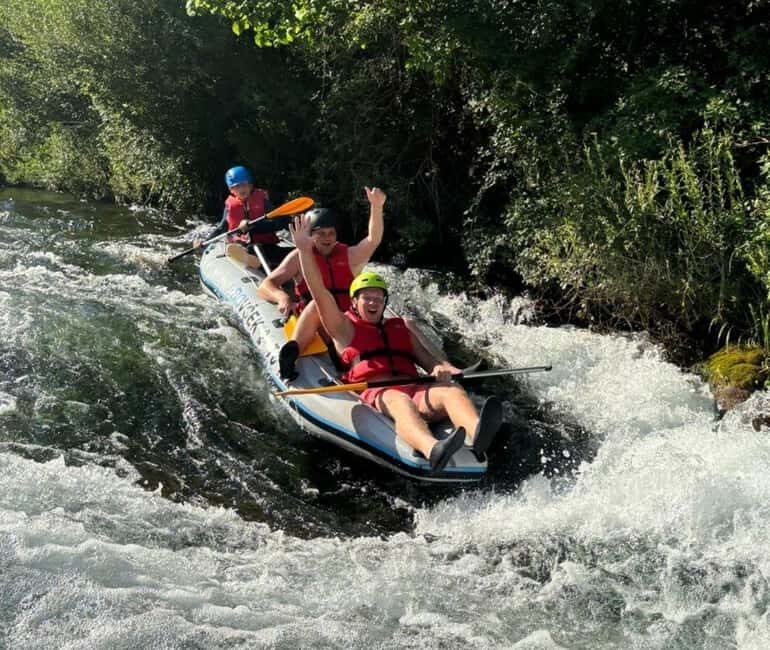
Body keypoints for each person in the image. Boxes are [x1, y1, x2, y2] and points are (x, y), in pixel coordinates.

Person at [289, 213, 504, 474]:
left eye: (378, 298)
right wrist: (304, 251)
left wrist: (439, 369)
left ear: (384, 303)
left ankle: (478, 432)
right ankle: (433, 450)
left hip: (416, 389)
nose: (373, 302)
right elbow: (318, 291)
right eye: (366, 298)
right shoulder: (344, 327)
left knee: (452, 392)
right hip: (380, 393)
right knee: (399, 401)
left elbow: (429, 361)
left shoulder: (399, 328)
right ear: (354, 302)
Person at [258, 186, 386, 379]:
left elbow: (373, 240)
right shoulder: (299, 256)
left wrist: (376, 207)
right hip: (315, 322)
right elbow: (266, 285)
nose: (327, 238)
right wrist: (282, 297)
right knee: (318, 305)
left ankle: (364, 365)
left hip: (346, 322)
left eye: (331, 233)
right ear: (310, 235)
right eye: (320, 233)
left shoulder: (349, 255)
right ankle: (294, 349)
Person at [194, 165, 289, 269]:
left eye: (244, 185)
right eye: (237, 186)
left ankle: (258, 263)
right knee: (248, 249)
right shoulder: (230, 206)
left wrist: (253, 226)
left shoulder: (263, 201)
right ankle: (252, 260)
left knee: (279, 252)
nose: (241, 189)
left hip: (266, 244)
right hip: (243, 245)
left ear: (250, 185)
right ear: (231, 190)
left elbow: (278, 223)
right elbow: (222, 228)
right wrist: (204, 243)